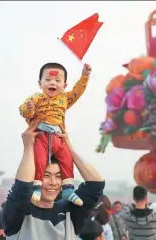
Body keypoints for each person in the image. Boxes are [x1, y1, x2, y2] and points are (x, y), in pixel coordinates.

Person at [2, 120, 105, 239]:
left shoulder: (70, 212)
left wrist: (66, 146)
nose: (53, 182)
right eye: (46, 175)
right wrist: (29, 147)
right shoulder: (19, 212)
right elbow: (23, 186)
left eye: (58, 176)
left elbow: (96, 184)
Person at [19, 62, 92, 206]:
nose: (53, 83)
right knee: (39, 161)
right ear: (40, 83)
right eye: (48, 80)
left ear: (64, 85)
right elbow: (22, 111)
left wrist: (85, 76)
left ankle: (68, 190)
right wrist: (29, 108)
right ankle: (37, 188)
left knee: (67, 160)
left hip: (59, 137)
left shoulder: (64, 99)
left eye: (58, 81)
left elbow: (77, 92)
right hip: (42, 136)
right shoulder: (36, 98)